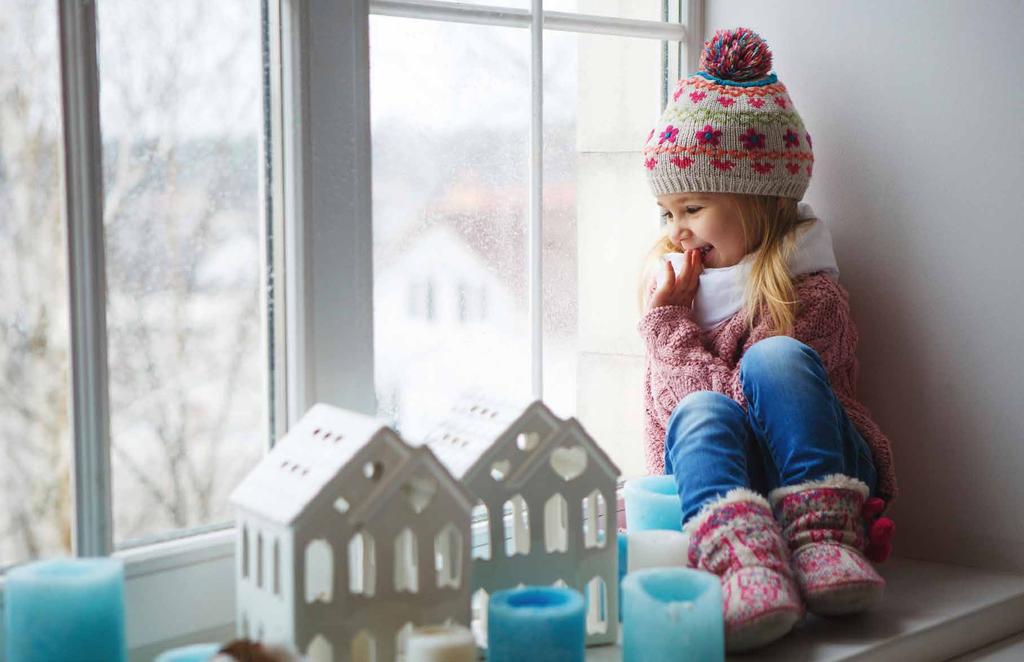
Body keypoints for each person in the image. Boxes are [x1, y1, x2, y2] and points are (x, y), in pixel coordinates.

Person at [636, 26, 897, 652]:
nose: (678, 233)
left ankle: (825, 544)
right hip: (730, 494)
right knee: (699, 409)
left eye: (692, 208)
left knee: (774, 358)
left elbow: (763, 410)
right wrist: (667, 326)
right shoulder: (674, 298)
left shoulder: (809, 293)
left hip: (824, 471)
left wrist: (683, 340)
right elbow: (673, 425)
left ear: (758, 200)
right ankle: (742, 570)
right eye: (667, 214)